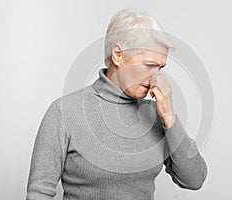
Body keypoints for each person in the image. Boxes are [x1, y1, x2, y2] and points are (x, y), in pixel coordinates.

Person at [26, 8, 207, 200]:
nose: (156, 77)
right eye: (149, 65)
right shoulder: (64, 112)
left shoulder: (156, 115)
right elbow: (39, 193)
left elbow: (194, 180)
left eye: (160, 67)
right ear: (118, 55)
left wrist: (170, 117)